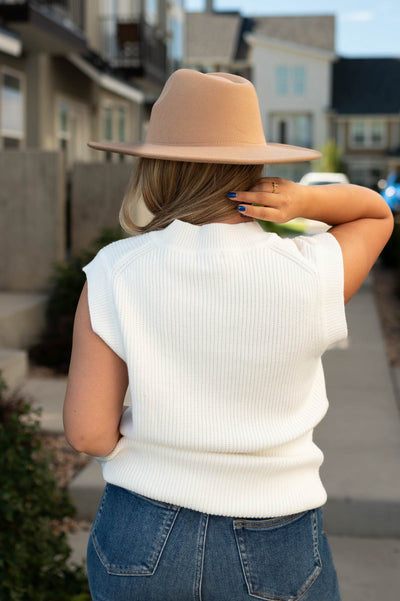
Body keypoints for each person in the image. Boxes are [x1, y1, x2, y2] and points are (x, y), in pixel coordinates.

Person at [63, 69, 393, 601]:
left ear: (157, 167)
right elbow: (376, 214)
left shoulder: (115, 270)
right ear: (258, 165)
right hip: (277, 536)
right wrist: (303, 203)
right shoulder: (311, 270)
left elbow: (87, 434)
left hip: (142, 532)